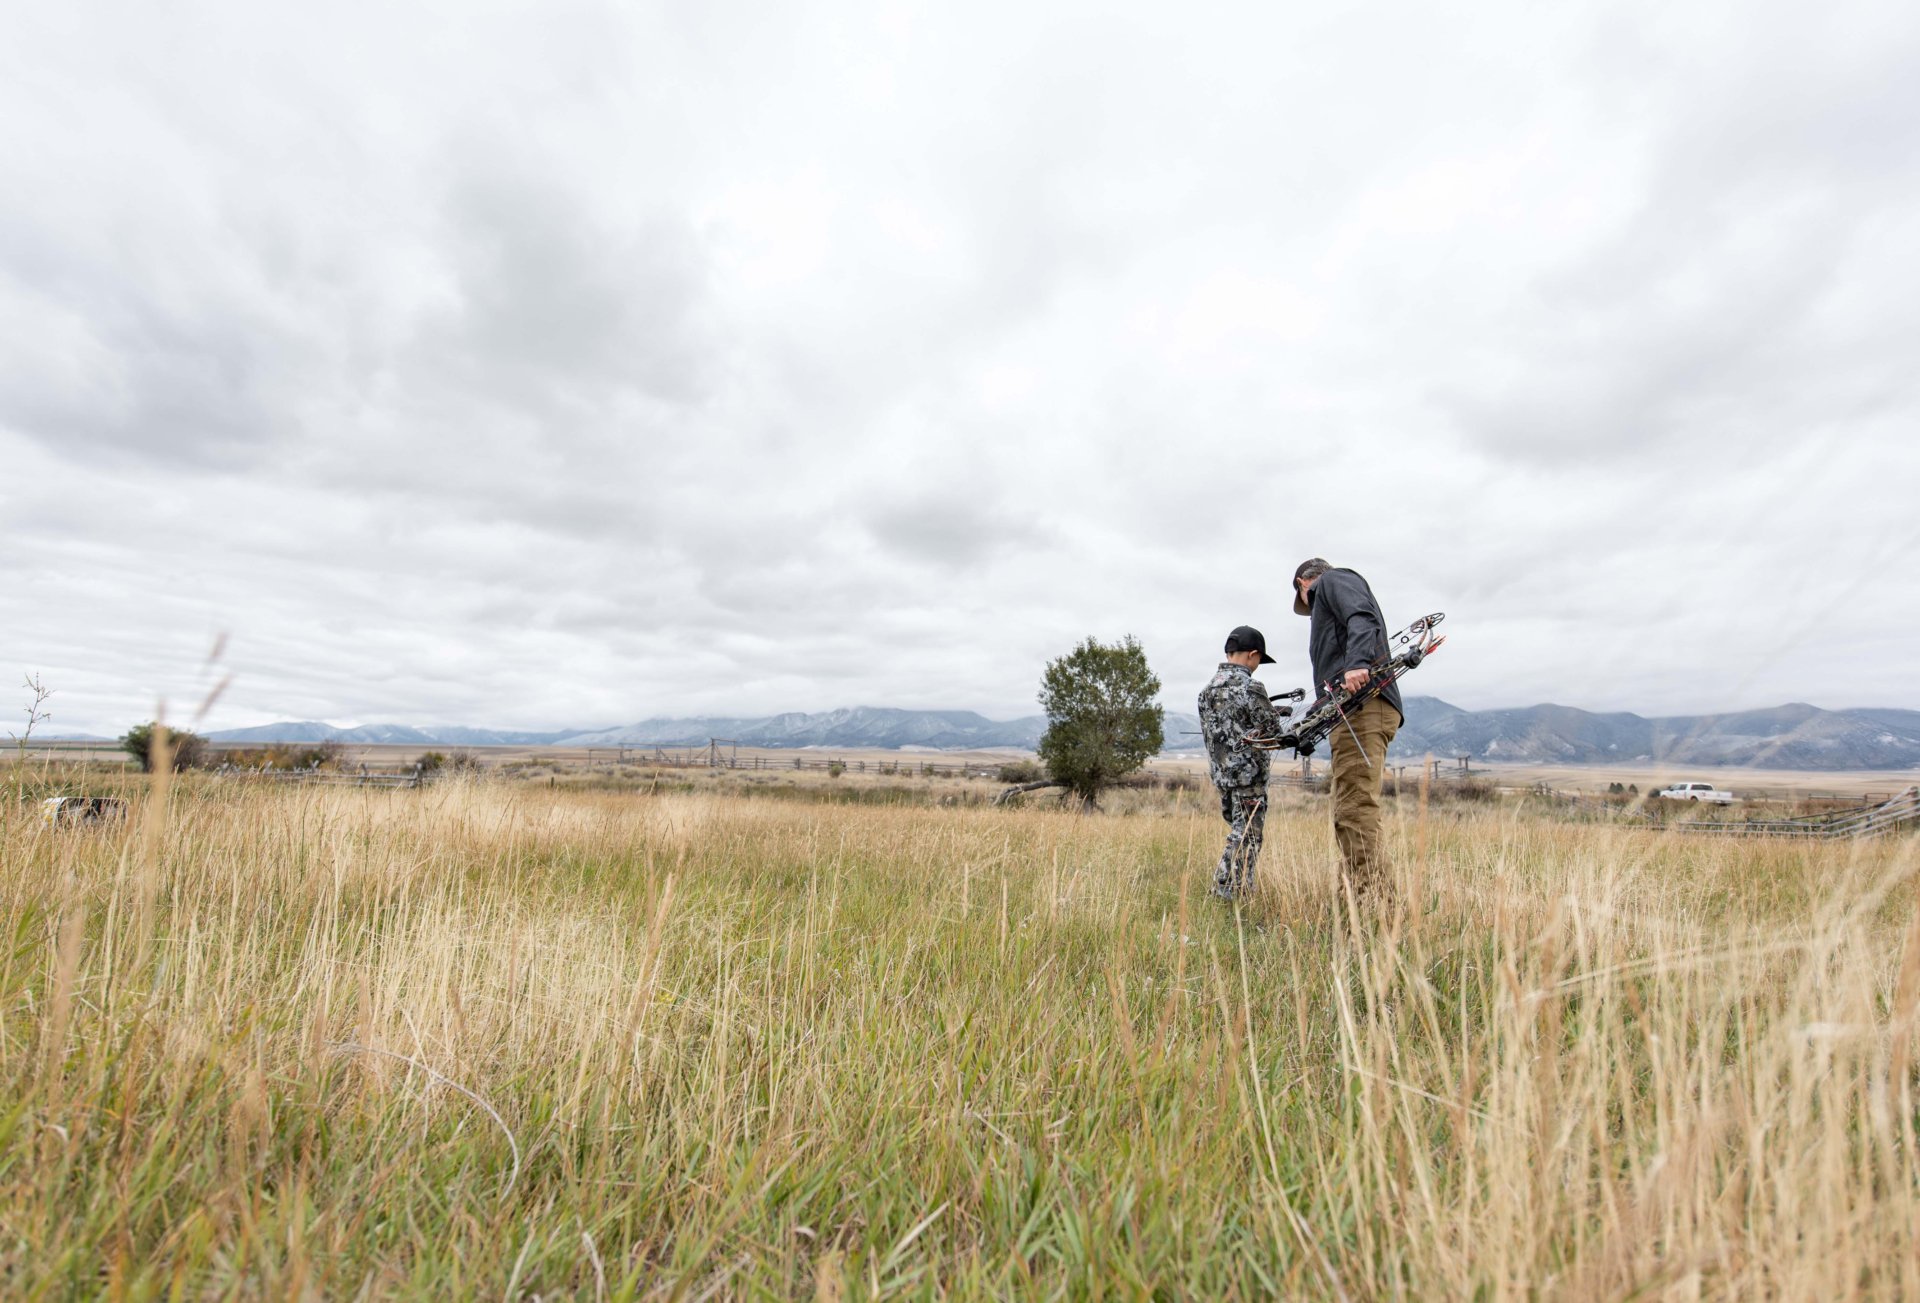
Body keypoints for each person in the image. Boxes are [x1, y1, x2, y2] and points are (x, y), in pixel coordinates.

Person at [1291, 558, 1402, 908]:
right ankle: (1356, 897)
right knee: (1346, 810)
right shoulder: (1328, 592)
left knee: (1354, 809)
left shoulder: (1334, 581)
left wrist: (1357, 662)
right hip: (1349, 710)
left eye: (1305, 603)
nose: (1311, 613)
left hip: (1363, 708)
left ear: (1302, 584)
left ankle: (1373, 905)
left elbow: (1361, 616)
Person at [1197, 626, 1284, 900]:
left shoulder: (1206, 690)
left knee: (1238, 833)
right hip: (1250, 779)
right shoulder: (1251, 687)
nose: (1258, 667)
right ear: (1252, 655)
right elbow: (1273, 733)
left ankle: (1237, 891)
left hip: (1223, 778)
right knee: (1247, 837)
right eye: (1259, 660)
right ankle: (1226, 894)